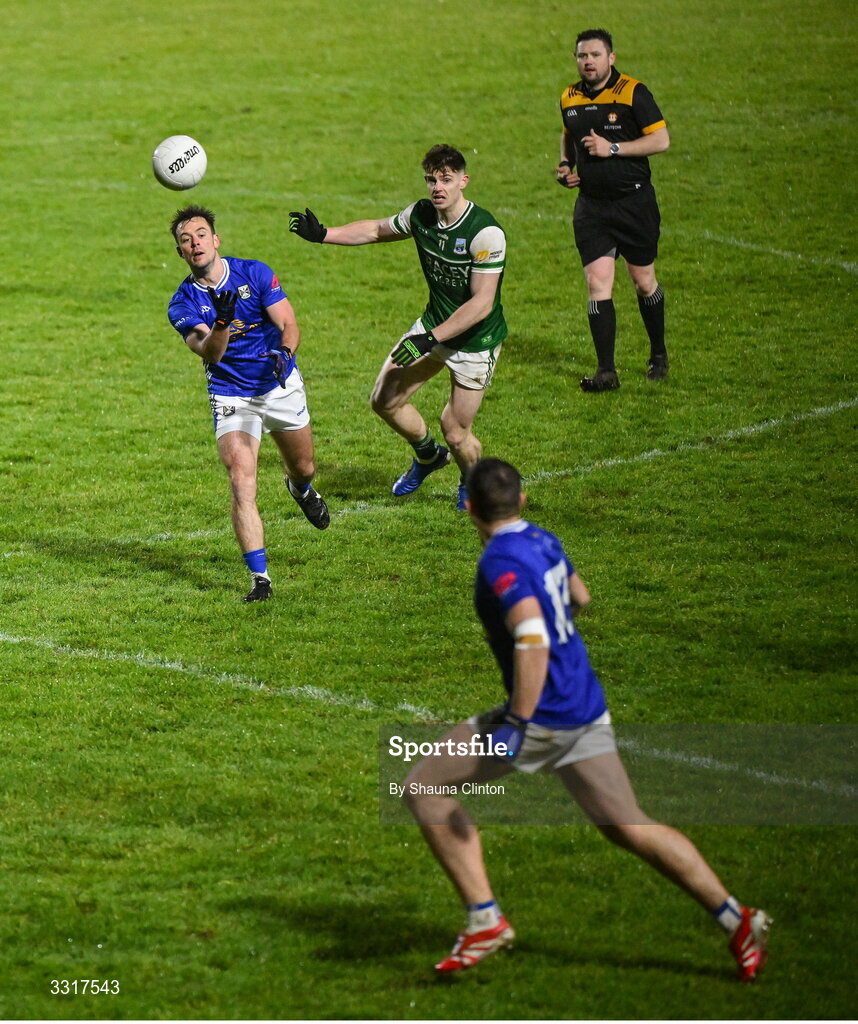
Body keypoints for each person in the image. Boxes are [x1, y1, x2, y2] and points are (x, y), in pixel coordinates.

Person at [403, 457, 771, 980]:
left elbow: (531, 636)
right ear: (522, 501)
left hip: (543, 716)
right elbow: (580, 595)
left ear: (469, 508)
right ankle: (738, 919)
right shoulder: (544, 539)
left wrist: (520, 722)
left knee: (426, 788)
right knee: (629, 826)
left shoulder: (499, 562)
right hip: (583, 703)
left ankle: (485, 918)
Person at [289, 144, 507, 511]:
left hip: (474, 342)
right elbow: (376, 230)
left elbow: (482, 303)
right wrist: (325, 233)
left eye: (446, 179)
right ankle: (427, 456)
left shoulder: (485, 233)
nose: (437, 187)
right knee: (385, 400)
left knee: (455, 430)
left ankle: (470, 481)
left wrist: (430, 339)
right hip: (434, 326)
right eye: (431, 179)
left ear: (463, 182)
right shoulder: (421, 214)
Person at [167, 205, 329, 603]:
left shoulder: (255, 273)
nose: (195, 243)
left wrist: (286, 355)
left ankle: (301, 489)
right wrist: (222, 323)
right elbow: (212, 353)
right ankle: (261, 578)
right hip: (231, 394)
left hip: (278, 383)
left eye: (202, 235)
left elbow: (288, 323)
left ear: (216, 240)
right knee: (241, 479)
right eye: (186, 240)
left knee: (305, 466)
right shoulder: (182, 304)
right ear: (181, 254)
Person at [556, 28, 670, 391]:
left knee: (643, 281)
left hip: (634, 204)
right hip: (592, 207)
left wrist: (613, 149)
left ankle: (658, 353)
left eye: (594, 55)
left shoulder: (633, 92)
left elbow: (661, 140)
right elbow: (568, 133)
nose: (587, 62)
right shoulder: (569, 97)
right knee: (596, 283)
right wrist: (565, 165)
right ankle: (606, 371)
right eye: (581, 56)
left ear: (611, 58)